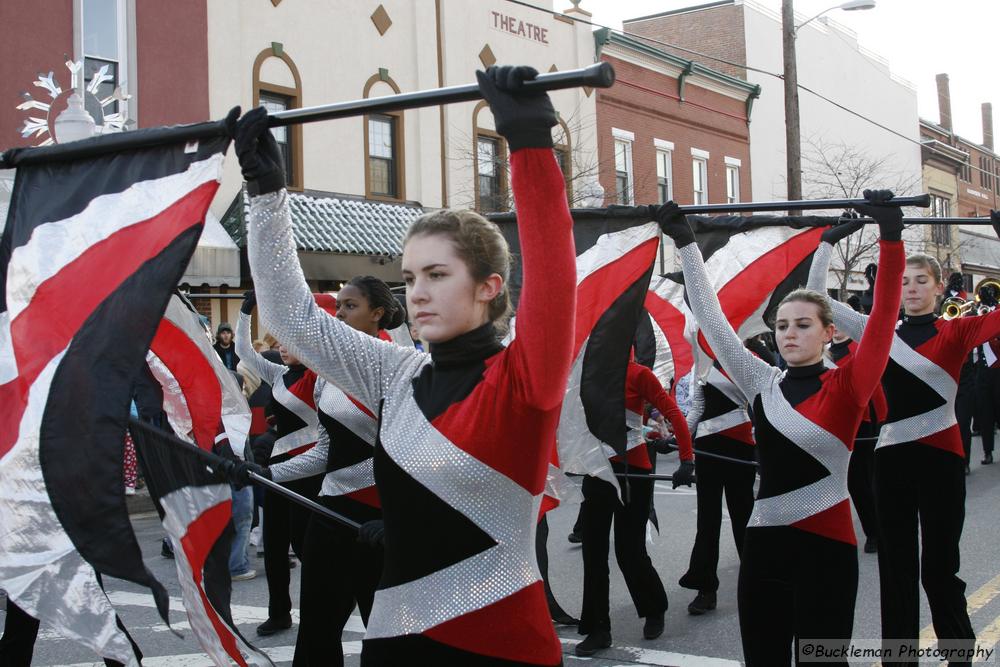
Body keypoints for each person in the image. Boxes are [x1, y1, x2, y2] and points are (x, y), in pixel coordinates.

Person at [234, 65, 575, 666]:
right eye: (410, 276)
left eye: (438, 275)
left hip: (503, 647)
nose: (416, 292)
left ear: (490, 286)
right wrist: (266, 196)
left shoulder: (524, 379)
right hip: (393, 640)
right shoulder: (396, 372)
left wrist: (527, 140)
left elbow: (553, 274)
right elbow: (294, 321)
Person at [658, 192, 904, 667]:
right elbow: (712, 321)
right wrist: (686, 245)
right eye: (783, 325)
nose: (789, 333)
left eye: (803, 325)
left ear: (829, 332)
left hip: (827, 549)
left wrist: (889, 237)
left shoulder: (849, 384)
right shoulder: (760, 381)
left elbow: (885, 317)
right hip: (765, 547)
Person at [806, 210, 1000, 665]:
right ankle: (899, 658)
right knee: (895, 569)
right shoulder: (878, 331)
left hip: (942, 458)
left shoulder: (959, 329)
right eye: (905, 280)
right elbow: (818, 300)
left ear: (938, 287)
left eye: (920, 280)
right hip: (890, 460)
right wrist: (826, 244)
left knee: (938, 568)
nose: (910, 288)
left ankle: (958, 651)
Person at [229, 278, 403, 667]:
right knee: (317, 628)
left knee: (384, 631)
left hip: (379, 521)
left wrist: (395, 520)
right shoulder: (327, 374)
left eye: (351, 306)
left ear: (377, 314)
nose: (339, 313)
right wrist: (266, 475)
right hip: (329, 514)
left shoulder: (398, 369)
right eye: (338, 306)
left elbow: (410, 454)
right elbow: (326, 451)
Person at [575, 359, 694, 657]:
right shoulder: (588, 372)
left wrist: (686, 458)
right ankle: (598, 628)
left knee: (629, 551)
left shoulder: (640, 374)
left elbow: (673, 412)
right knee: (593, 550)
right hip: (597, 471)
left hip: (634, 473)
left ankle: (654, 608)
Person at [235, 301, 321, 637]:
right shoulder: (280, 374)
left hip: (311, 471)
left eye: (291, 341)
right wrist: (245, 313)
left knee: (306, 548)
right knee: (273, 547)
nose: (283, 348)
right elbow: (244, 350)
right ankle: (279, 612)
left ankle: (321, 610)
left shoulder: (323, 375)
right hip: (275, 470)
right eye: (280, 342)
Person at [678, 359, 756, 616]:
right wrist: (682, 444)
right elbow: (697, 407)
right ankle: (705, 588)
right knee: (707, 520)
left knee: (743, 516)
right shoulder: (701, 364)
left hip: (740, 444)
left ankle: (757, 584)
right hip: (707, 448)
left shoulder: (745, 356)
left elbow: (760, 401)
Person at [826, 322, 886, 554]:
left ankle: (874, 531)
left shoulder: (859, 350)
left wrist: (882, 421)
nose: (839, 329)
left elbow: (876, 389)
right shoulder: (824, 352)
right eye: (834, 324)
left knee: (862, 482)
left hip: (862, 426)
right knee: (848, 483)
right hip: (832, 426)